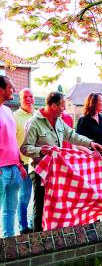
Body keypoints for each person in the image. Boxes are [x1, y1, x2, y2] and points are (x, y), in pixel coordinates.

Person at [20, 91, 102, 232]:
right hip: (40, 172)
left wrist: (90, 143)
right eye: (62, 106)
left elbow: (72, 135)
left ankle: (52, 235)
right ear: (53, 105)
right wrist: (40, 151)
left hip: (56, 172)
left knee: (54, 206)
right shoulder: (34, 123)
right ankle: (37, 239)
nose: (64, 109)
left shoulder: (59, 121)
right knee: (40, 206)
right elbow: (24, 148)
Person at [0, 75, 27, 237]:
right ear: (1, 90)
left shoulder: (8, 110)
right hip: (1, 170)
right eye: (10, 87)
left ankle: (8, 246)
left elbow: (12, 139)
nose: (14, 90)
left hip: (14, 168)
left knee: (10, 210)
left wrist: (19, 164)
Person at [76, 93, 102, 166]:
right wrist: (90, 153)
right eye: (101, 101)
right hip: (92, 158)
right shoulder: (83, 120)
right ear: (93, 103)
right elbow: (78, 143)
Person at [13, 88, 35, 234]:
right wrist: (18, 163)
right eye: (25, 96)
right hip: (24, 164)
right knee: (24, 197)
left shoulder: (38, 115)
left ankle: (34, 223)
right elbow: (12, 142)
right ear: (20, 99)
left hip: (39, 163)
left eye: (31, 96)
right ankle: (23, 227)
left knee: (39, 198)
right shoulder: (15, 116)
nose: (28, 99)